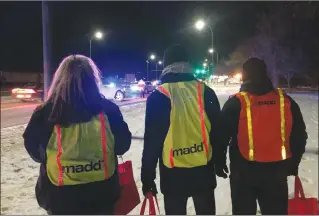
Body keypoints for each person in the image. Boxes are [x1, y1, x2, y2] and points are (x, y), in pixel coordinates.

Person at [23, 55, 132, 215]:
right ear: (93, 79)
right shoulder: (108, 110)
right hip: (102, 193)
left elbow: (34, 150)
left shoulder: (45, 113)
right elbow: (123, 145)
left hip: (60, 195)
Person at [141, 44, 227, 215]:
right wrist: (219, 161)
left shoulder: (159, 95)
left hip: (173, 176)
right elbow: (218, 132)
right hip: (203, 171)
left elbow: (152, 141)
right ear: (187, 63)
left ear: (166, 65)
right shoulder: (205, 91)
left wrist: (148, 177)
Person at [220, 57, 308, 215]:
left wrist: (218, 162)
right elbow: (299, 135)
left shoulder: (236, 103)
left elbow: (220, 136)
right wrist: (293, 163)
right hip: (276, 172)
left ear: (245, 76)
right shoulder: (285, 101)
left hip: (243, 173)